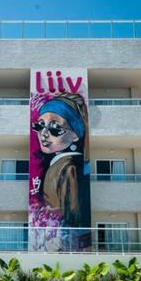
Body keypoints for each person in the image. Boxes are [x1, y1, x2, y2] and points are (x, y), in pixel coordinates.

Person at [30, 93, 91, 250]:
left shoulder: (67, 168)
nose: (44, 133)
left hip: (62, 244)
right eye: (40, 125)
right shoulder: (60, 165)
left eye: (55, 128)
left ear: (75, 135)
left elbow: (72, 214)